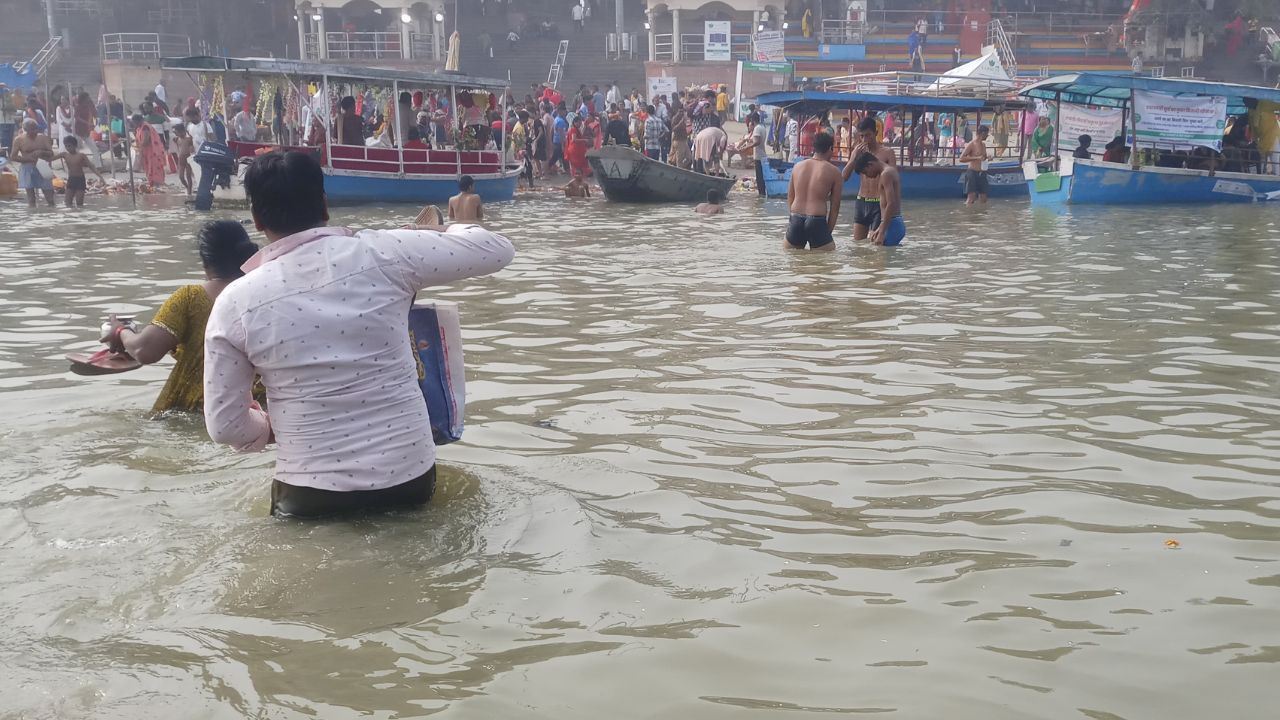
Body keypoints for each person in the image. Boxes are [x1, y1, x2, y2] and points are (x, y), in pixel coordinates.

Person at [203, 151, 514, 517]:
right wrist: (439, 231)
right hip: (409, 479)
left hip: (308, 493)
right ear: (324, 204)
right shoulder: (386, 252)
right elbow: (497, 250)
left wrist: (267, 427)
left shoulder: (235, 302)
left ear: (256, 219)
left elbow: (225, 426)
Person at [100, 221, 259, 414]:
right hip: (262, 410)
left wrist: (120, 331)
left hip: (199, 410)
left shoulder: (191, 298)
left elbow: (144, 350)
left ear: (205, 261)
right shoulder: (267, 294)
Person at [841, 116, 895, 242]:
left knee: (875, 244)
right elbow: (844, 177)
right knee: (858, 244)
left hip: (878, 202)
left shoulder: (887, 152)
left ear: (876, 133)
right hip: (861, 201)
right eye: (862, 136)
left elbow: (893, 178)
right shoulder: (858, 152)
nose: (865, 139)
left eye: (868, 135)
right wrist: (853, 158)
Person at [785, 132, 842, 251]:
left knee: (793, 260)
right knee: (825, 260)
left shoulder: (798, 166)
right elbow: (835, 207)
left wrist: (793, 218)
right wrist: (827, 233)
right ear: (830, 149)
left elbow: (790, 197)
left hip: (795, 217)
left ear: (814, 148)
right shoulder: (834, 172)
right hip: (816, 219)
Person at [851, 152, 905, 246]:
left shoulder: (886, 174)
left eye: (865, 172)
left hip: (892, 224)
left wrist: (882, 231)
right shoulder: (889, 171)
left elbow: (891, 203)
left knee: (882, 254)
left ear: (870, 164)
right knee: (884, 253)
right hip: (893, 223)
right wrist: (881, 227)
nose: (867, 176)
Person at [9, 118, 56, 208]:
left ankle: (51, 212)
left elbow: (51, 153)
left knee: (50, 197)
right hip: (27, 168)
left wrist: (42, 152)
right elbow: (13, 157)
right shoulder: (19, 139)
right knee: (31, 199)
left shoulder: (43, 138)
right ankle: (32, 213)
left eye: (36, 128)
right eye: (32, 129)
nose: (35, 131)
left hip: (42, 167)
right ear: (26, 130)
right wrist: (28, 158)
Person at [54, 136, 104, 207]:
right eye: (66, 146)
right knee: (67, 203)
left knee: (79, 204)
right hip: (71, 180)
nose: (68, 148)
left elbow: (91, 166)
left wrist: (101, 177)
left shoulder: (81, 155)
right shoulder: (64, 155)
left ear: (75, 146)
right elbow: (51, 158)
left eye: (69, 146)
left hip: (80, 180)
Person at [736, 112, 769, 196]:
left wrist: (746, 147)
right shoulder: (762, 127)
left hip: (759, 156)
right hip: (762, 154)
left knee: (759, 177)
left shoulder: (757, 128)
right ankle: (762, 193)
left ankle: (761, 194)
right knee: (761, 176)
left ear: (753, 120)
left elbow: (757, 142)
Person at [131, 114, 167, 189]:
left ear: (139, 121)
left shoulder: (145, 127)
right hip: (146, 152)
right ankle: (153, 184)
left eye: (134, 122)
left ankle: (158, 184)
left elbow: (146, 140)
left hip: (153, 151)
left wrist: (137, 146)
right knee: (149, 168)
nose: (134, 124)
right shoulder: (139, 128)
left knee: (154, 168)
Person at [958, 125, 990, 205]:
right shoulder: (971, 144)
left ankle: (981, 212)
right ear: (982, 133)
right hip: (972, 173)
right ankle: (968, 212)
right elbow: (961, 158)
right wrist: (977, 158)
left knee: (984, 198)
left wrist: (987, 158)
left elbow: (983, 158)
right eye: (987, 134)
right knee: (971, 198)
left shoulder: (983, 145)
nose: (987, 136)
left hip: (982, 173)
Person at [173, 125, 194, 195]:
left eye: (177, 132)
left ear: (183, 131)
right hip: (181, 158)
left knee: (188, 176)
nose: (176, 134)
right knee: (181, 176)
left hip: (188, 157)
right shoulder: (177, 139)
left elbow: (191, 150)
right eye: (175, 133)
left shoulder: (189, 139)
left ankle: (189, 192)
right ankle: (187, 187)